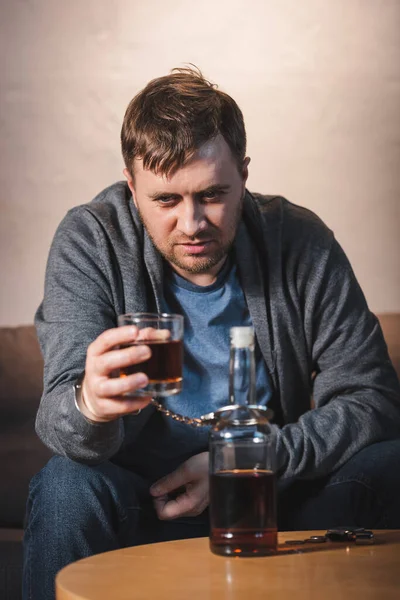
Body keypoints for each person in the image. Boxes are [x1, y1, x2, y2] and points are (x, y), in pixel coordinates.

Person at [23, 67, 400, 600]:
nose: (192, 223)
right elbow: (61, 426)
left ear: (244, 174)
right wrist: (89, 403)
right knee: (65, 486)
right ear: (132, 188)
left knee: (390, 466)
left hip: (271, 497)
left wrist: (249, 462)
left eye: (213, 194)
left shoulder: (300, 240)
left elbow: (373, 398)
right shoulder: (91, 240)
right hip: (144, 502)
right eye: (166, 201)